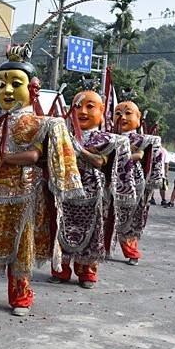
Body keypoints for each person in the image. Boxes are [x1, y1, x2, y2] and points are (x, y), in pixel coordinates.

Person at [0, 43, 82, 315]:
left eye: (15, 84)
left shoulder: (38, 122)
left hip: (24, 193)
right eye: (1, 85)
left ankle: (21, 296)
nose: (7, 91)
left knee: (20, 246)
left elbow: (35, 155)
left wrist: (4, 158)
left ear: (32, 89)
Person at [50, 91, 136, 288]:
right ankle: (61, 269)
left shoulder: (108, 139)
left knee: (92, 232)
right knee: (61, 229)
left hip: (93, 194)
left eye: (90, 106)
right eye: (77, 106)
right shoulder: (62, 134)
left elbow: (99, 162)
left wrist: (79, 149)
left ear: (102, 110)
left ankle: (86, 271)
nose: (82, 111)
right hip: (66, 192)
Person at [108, 101, 163, 266]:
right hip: (109, 179)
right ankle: (100, 248)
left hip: (131, 181)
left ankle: (132, 252)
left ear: (138, 119)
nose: (122, 117)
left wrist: (119, 156)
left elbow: (139, 155)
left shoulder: (140, 139)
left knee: (129, 218)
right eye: (118, 113)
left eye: (128, 113)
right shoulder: (107, 136)